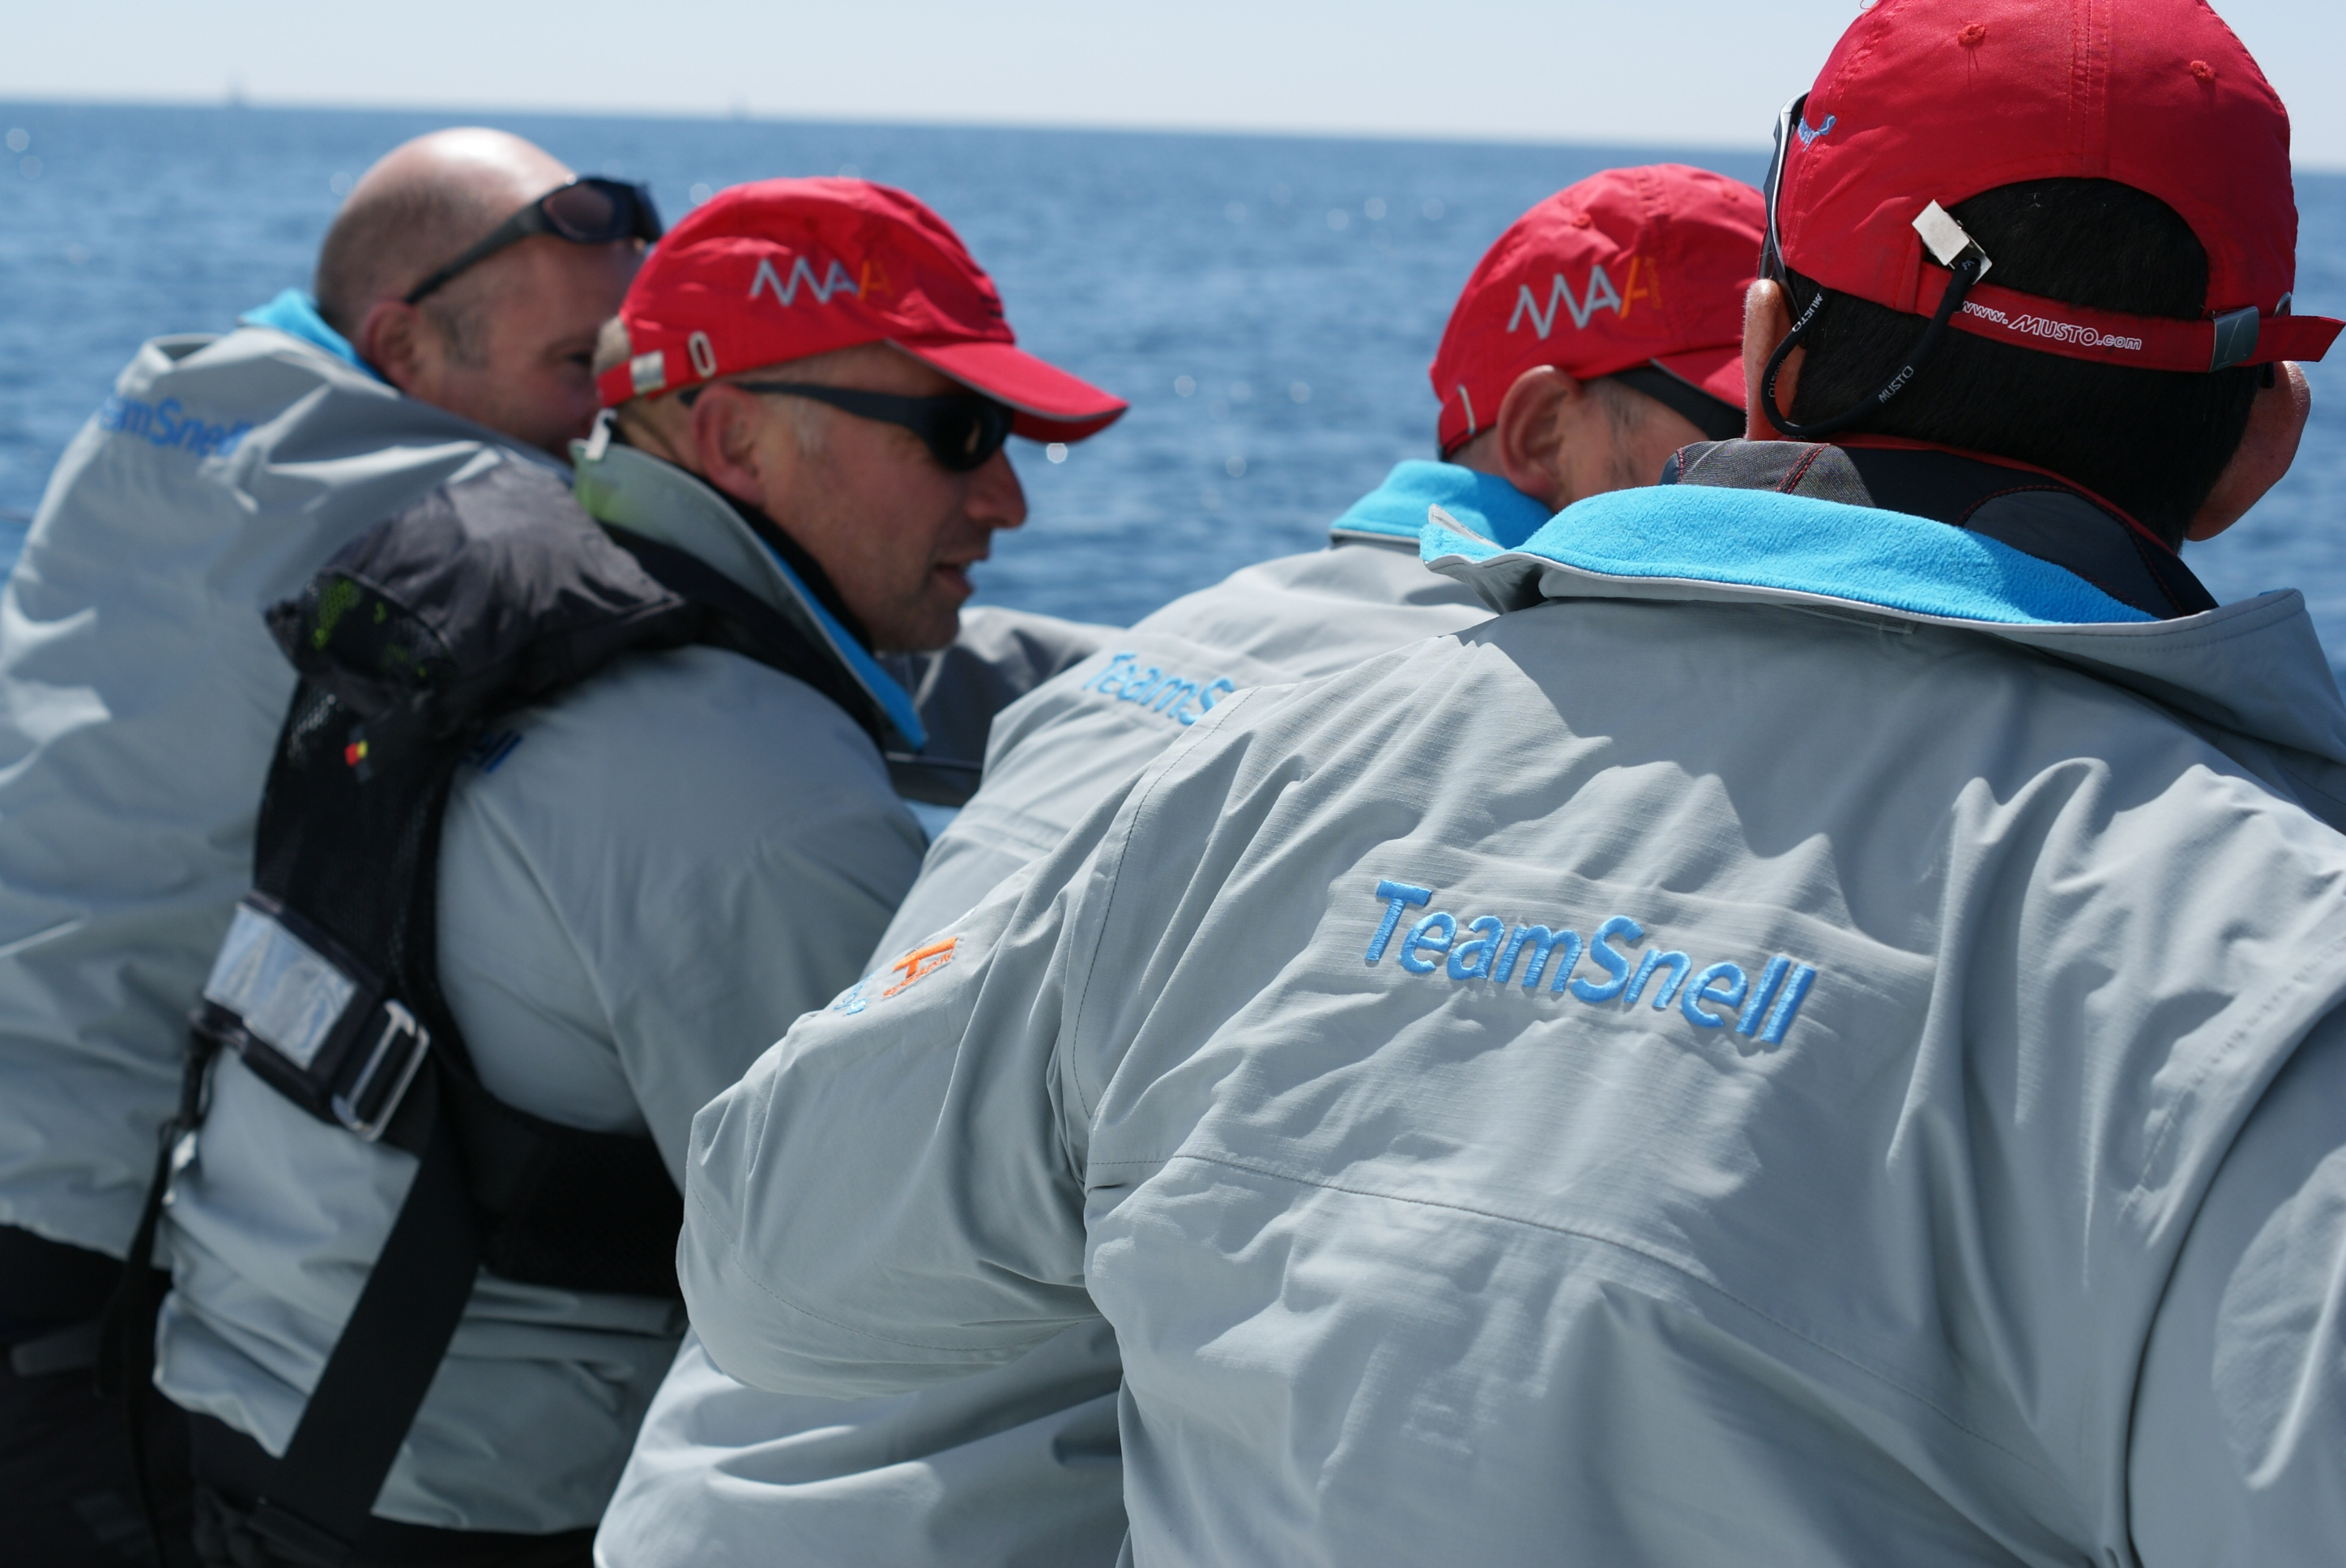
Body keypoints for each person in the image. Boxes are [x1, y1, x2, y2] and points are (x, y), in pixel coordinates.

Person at [678, 1, 2346, 1562]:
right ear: (2260, 437)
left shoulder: (1265, 762)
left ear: (1769, 350)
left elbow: (773, 1262)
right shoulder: (2281, 973)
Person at [598, 164, 1763, 1568]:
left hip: (684, 1504)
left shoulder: (1192, 631)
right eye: (1732, 436)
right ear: (1540, 430)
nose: (1795, 488)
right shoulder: (1524, 731)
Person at [151, 177, 1124, 1568]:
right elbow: (889, 1286)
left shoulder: (509, 562)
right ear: (731, 436)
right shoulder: (757, 794)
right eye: (957, 433)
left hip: (244, 1400)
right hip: (457, 1514)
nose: (1007, 499)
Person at [0, 127, 650, 1568]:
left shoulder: (167, 397)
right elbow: (713, 568)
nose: (607, 425)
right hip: (57, 1219)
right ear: (400, 345)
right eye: (578, 372)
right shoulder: (433, 498)